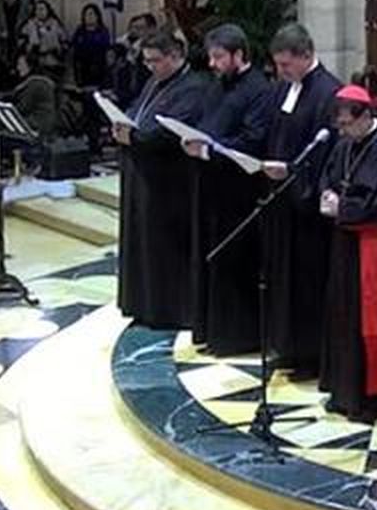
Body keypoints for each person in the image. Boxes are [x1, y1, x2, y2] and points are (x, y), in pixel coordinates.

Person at [315, 85, 377, 422]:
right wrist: (328, 195)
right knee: (344, 317)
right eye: (340, 126)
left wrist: (341, 206)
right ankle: (347, 392)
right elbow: (329, 178)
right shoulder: (345, 145)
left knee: (375, 324)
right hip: (344, 247)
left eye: (346, 124)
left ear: (366, 117)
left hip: (376, 249)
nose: (342, 132)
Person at [181, 24, 274, 356]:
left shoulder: (259, 89)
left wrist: (209, 150)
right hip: (210, 186)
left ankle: (236, 336)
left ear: (239, 54)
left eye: (219, 57)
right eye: (211, 56)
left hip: (239, 192)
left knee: (234, 262)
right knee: (209, 257)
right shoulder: (217, 84)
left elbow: (254, 141)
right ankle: (211, 330)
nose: (212, 64)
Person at [113, 32, 217, 329]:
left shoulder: (194, 86)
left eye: (155, 61)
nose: (150, 67)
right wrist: (124, 123)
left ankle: (167, 309)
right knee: (142, 242)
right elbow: (138, 109)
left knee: (164, 248)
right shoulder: (155, 80)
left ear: (175, 56)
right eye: (146, 61)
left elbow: (173, 129)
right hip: (144, 173)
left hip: (170, 181)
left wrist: (134, 135)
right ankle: (143, 304)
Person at [259, 23, 341, 378]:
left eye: (286, 64)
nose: (281, 72)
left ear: (306, 55)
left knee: (307, 284)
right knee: (283, 278)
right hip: (282, 201)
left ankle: (311, 353)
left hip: (307, 210)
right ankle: (287, 345)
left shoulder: (329, 93)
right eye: (278, 65)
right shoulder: (286, 88)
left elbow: (330, 154)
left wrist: (296, 177)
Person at [69, 3, 113, 89]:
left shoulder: (102, 31)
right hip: (82, 68)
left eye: (91, 14)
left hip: (98, 67)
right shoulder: (80, 31)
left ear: (97, 16)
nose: (89, 17)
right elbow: (74, 47)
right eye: (86, 14)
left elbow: (105, 48)